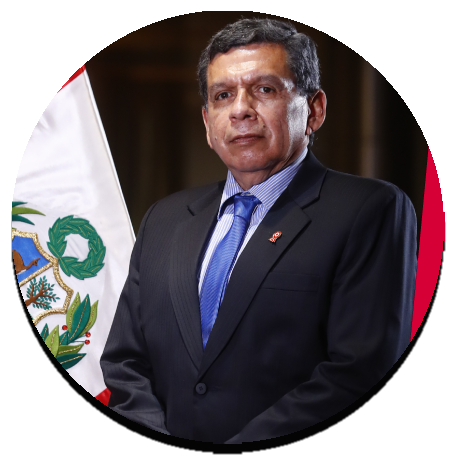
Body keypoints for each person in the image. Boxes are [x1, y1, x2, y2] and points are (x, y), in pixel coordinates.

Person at [100, 18, 417, 444]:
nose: (240, 110)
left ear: (314, 110)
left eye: (264, 89)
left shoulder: (369, 210)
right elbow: (125, 362)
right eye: (222, 95)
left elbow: (358, 371)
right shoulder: (164, 219)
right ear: (207, 122)